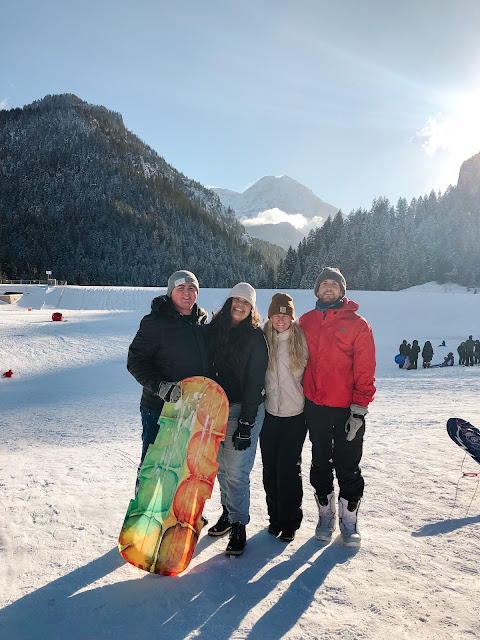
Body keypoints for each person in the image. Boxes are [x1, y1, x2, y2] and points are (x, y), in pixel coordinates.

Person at [299, 267, 376, 547]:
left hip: (346, 409)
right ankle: (325, 515)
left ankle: (349, 519)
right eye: (324, 284)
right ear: (317, 290)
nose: (329, 288)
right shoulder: (305, 321)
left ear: (342, 291)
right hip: (315, 407)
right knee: (320, 462)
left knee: (348, 465)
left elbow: (365, 369)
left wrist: (359, 409)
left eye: (334, 284)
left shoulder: (357, 324)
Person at [206, 283, 268, 556]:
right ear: (229, 301)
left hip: (243, 409)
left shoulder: (255, 337)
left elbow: (255, 382)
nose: (240, 305)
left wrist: (246, 423)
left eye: (246, 302)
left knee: (237, 472)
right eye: (236, 300)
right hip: (215, 409)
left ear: (252, 308)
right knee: (220, 468)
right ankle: (228, 514)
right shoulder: (214, 330)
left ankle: (239, 524)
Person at [127, 270, 209, 473]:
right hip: (160, 409)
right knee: (153, 468)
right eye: (180, 288)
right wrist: (161, 387)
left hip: (192, 408)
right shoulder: (155, 322)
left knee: (181, 470)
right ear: (171, 292)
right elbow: (136, 361)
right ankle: (144, 496)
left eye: (191, 288)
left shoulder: (201, 322)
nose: (186, 293)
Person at [260, 293, 309, 542]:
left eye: (286, 315)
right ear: (270, 317)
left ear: (292, 317)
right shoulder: (262, 340)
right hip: (268, 415)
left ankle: (290, 521)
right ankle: (275, 518)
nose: (281, 320)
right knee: (270, 469)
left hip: (294, 416)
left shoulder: (302, 340)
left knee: (288, 470)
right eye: (276, 315)